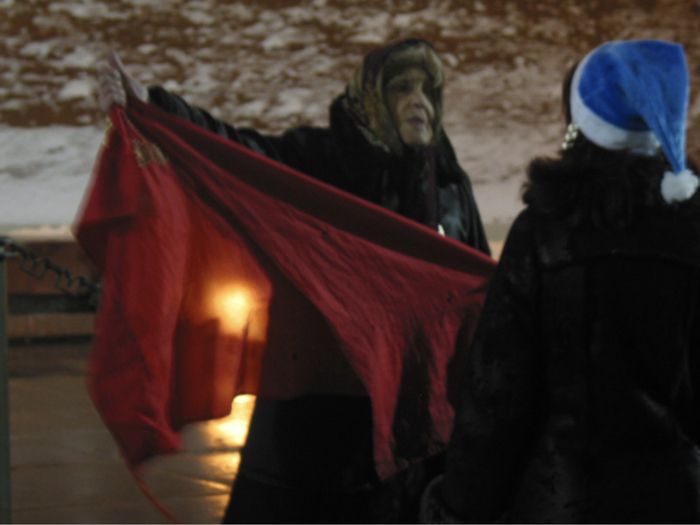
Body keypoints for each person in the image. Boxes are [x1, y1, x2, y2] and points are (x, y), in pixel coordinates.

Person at [98, 38, 490, 523]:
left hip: (409, 423)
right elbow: (236, 152)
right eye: (402, 88)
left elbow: (475, 289)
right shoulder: (322, 158)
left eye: (428, 91)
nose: (418, 101)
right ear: (372, 97)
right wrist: (157, 108)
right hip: (318, 418)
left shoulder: (449, 184)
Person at [420, 39, 700, 523]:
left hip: (561, 499)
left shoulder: (543, 232)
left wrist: (459, 508)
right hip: (674, 501)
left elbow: (498, 396)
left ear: (581, 120)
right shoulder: (692, 230)